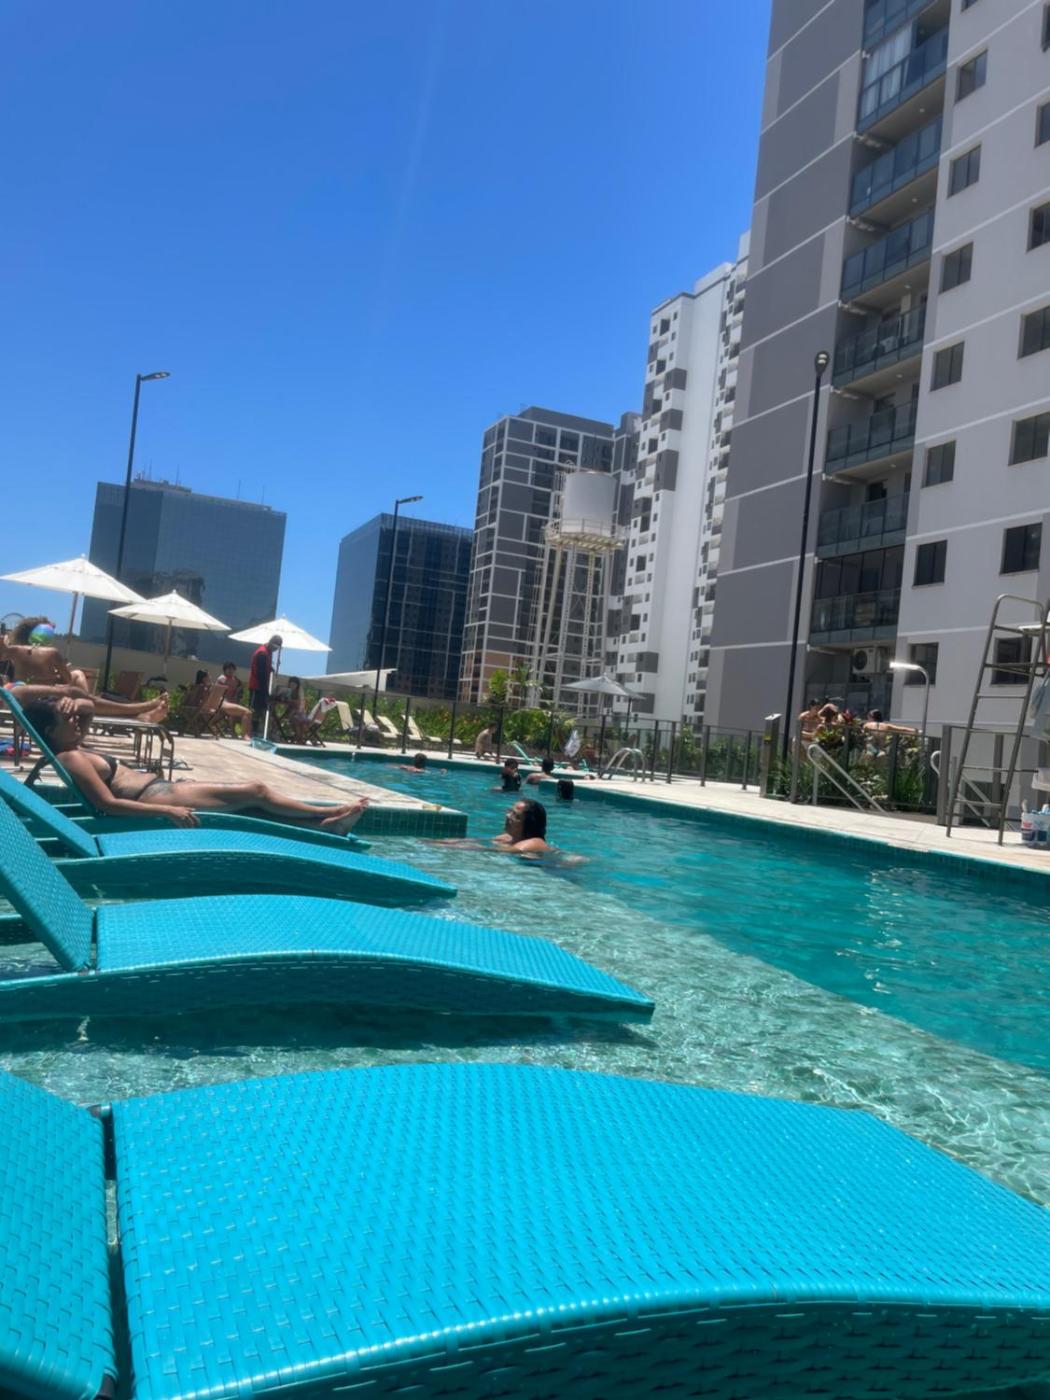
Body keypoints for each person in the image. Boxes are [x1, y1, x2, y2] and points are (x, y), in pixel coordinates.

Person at [22, 693, 369, 834]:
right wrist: (167, 811)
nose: (78, 720)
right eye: (68, 718)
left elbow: (88, 707)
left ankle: (323, 826)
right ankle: (326, 811)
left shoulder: (73, 746)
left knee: (249, 809)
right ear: (51, 731)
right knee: (257, 790)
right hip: (158, 799)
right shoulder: (71, 756)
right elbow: (107, 804)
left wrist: (70, 702)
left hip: (161, 791)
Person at [0, 619, 169, 722]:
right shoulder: (51, 653)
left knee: (79, 695)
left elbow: (5, 654)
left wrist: (5, 641)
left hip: (19, 694)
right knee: (77, 695)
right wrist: (59, 674)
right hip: (30, 700)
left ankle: (140, 715)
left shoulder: (15, 650)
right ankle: (140, 709)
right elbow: (66, 680)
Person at [248, 634, 282, 735]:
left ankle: (261, 731)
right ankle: (252, 731)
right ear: (271, 643)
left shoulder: (269, 652)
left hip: (263, 687)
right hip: (257, 686)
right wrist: (266, 691)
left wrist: (271, 669)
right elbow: (261, 673)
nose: (275, 650)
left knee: (262, 709)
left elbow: (266, 667)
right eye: (275, 647)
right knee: (255, 710)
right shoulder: (262, 653)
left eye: (277, 648)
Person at [216, 662, 253, 741]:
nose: (231, 670)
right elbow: (218, 693)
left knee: (244, 712)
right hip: (222, 702)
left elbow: (238, 693)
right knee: (247, 712)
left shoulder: (235, 680)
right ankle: (244, 735)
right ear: (225, 670)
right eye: (228, 669)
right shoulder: (222, 679)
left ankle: (237, 732)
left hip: (230, 703)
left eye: (232, 669)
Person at [277, 676, 309, 743]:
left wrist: (298, 710)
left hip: (298, 711)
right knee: (292, 718)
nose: (292, 686)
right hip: (290, 711)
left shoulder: (299, 691)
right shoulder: (288, 690)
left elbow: (301, 703)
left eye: (294, 685)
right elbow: (285, 702)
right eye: (291, 685)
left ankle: (298, 736)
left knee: (295, 719)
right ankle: (298, 736)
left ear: (297, 685)